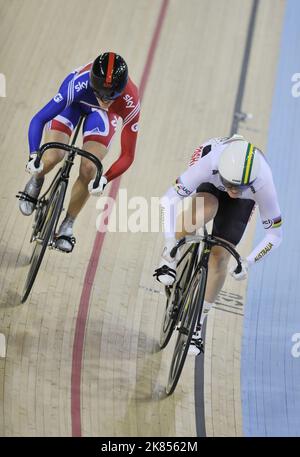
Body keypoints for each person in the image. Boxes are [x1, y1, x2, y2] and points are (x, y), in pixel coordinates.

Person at [154, 135, 283, 355]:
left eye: (239, 187)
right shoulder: (210, 162)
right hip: (211, 181)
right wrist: (169, 243)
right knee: (204, 210)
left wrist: (248, 261)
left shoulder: (263, 181)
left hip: (244, 196)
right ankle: (170, 259)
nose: (233, 191)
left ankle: (197, 324)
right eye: (231, 185)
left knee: (220, 255)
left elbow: (275, 234)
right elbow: (168, 200)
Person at [19, 52, 140, 252]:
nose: (105, 100)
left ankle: (67, 225)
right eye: (100, 95)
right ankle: (36, 180)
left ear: (120, 92)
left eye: (111, 97)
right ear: (93, 85)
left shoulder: (130, 100)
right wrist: (34, 154)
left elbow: (128, 155)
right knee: (52, 155)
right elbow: (39, 119)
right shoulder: (78, 84)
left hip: (102, 116)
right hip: (74, 104)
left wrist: (105, 179)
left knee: (89, 168)